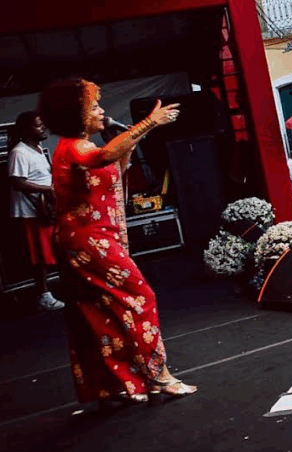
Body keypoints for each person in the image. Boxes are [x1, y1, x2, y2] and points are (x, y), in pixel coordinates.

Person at [39, 78, 196, 402]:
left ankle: (118, 385)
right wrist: (150, 121)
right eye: (94, 106)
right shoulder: (75, 146)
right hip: (88, 241)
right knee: (140, 298)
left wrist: (143, 129)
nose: (101, 111)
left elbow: (116, 157)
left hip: (92, 239)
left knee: (99, 313)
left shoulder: (83, 146)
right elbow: (106, 155)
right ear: (77, 114)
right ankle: (159, 377)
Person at [8, 111, 64, 310]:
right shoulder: (19, 152)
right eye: (38, 126)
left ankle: (55, 290)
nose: (43, 129)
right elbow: (17, 182)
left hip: (43, 208)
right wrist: (47, 189)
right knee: (39, 256)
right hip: (30, 212)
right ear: (26, 130)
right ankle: (43, 295)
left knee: (52, 251)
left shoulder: (38, 148)